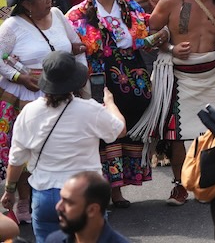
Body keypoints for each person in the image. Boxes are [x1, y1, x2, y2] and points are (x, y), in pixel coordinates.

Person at [66, 0, 167, 209]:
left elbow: (144, 38)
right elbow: (72, 45)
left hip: (132, 76)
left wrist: (161, 35)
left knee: (129, 127)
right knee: (103, 131)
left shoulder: (129, 6)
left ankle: (119, 189)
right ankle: (103, 192)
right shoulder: (77, 14)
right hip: (100, 77)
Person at [0, 52, 124, 242]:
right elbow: (119, 129)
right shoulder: (90, 109)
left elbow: (16, 159)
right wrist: (110, 103)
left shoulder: (29, 111)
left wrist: (9, 190)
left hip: (45, 195)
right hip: (84, 195)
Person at [148, 0, 215, 207]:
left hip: (213, 73)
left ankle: (209, 181)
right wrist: (169, 49)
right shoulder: (171, 0)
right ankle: (179, 185)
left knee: (214, 132)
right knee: (177, 135)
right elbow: (149, 32)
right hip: (178, 76)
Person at [0, 0, 88, 224]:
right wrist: (19, 78)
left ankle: (68, 200)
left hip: (63, 90)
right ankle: (25, 202)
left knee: (62, 147)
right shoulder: (12, 27)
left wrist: (80, 75)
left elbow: (76, 46)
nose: (49, 0)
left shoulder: (59, 16)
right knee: (28, 150)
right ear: (27, 5)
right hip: (27, 93)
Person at [44, 171, 130, 243]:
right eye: (61, 199)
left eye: (69, 202)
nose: (58, 207)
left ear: (92, 210)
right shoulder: (54, 240)